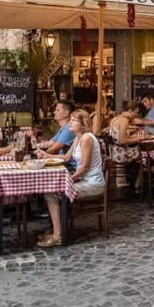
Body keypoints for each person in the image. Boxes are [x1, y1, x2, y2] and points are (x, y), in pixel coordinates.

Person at [35, 109, 105, 248]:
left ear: (83, 123)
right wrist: (47, 155)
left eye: (74, 120)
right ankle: (57, 229)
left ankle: (58, 235)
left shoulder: (87, 139)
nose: (70, 123)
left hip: (93, 184)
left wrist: (69, 180)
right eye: (70, 120)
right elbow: (67, 158)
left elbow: (84, 167)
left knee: (51, 193)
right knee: (51, 192)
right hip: (84, 181)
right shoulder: (78, 137)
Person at [109, 101, 142, 190]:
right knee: (145, 157)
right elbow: (123, 141)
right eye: (136, 112)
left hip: (115, 151)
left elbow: (117, 135)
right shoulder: (124, 121)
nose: (136, 115)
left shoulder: (115, 119)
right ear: (130, 111)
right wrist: (139, 139)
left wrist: (130, 132)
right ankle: (137, 186)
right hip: (122, 153)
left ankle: (125, 182)